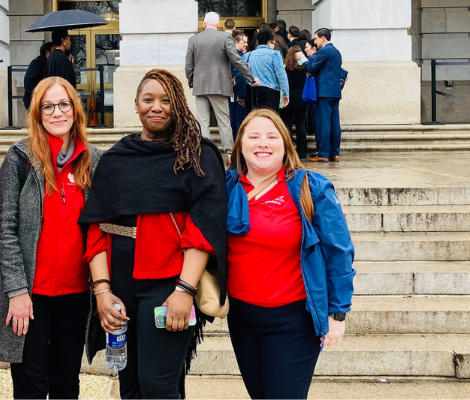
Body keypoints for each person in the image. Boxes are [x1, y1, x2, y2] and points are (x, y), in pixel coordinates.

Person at [79, 69, 227, 399]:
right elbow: (95, 225)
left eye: (166, 100)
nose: (156, 107)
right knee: (129, 385)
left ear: (178, 105)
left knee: (157, 385)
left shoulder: (197, 156)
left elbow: (204, 228)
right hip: (118, 286)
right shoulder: (117, 158)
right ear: (136, 105)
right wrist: (102, 291)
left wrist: (185, 290)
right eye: (148, 99)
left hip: (168, 284)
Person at [0, 76, 102, 399]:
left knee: (66, 384)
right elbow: (4, 230)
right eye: (48, 106)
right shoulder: (19, 159)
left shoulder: (93, 160)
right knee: (31, 387)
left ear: (75, 109)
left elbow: (101, 228)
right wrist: (17, 291)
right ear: (37, 113)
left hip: (76, 296)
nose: (57, 113)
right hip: (29, 297)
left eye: (64, 105)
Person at [225, 109, 355, 399]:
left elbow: (339, 253)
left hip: (293, 320)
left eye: (272, 137)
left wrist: (337, 312)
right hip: (242, 318)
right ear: (240, 144)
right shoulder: (227, 187)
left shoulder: (311, 188)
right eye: (254, 136)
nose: (263, 143)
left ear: (285, 144)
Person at [185, 11, 255, 160]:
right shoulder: (225, 37)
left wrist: (192, 81)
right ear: (218, 25)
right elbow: (236, 60)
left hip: (200, 85)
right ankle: (229, 154)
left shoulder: (193, 39)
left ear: (204, 24)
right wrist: (250, 77)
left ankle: (205, 154)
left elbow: (188, 65)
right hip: (220, 85)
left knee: (203, 122)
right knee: (223, 121)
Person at [296, 28, 342, 163]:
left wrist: (303, 59)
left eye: (316, 38)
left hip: (324, 91)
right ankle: (334, 152)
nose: (314, 42)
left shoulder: (325, 51)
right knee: (334, 123)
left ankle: (323, 153)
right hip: (334, 91)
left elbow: (311, 67)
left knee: (323, 122)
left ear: (323, 38)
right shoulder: (336, 51)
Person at [243, 29, 288, 114]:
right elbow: (281, 75)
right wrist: (286, 94)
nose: (274, 46)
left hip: (252, 91)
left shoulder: (247, 55)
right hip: (271, 92)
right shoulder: (275, 54)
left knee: (253, 119)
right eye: (273, 43)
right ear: (268, 42)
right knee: (270, 119)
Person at [282, 46, 309, 159]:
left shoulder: (285, 69)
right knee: (301, 125)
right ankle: (302, 152)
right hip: (301, 99)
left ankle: (289, 150)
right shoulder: (304, 69)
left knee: (287, 125)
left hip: (288, 99)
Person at [229, 30, 249, 142]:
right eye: (244, 42)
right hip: (237, 92)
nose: (246, 44)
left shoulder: (235, 55)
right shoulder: (237, 57)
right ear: (236, 42)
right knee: (237, 118)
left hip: (234, 92)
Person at [23, 42, 55, 110]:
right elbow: (28, 80)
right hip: (34, 98)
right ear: (47, 52)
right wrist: (35, 94)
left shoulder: (48, 63)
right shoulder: (38, 62)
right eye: (53, 50)